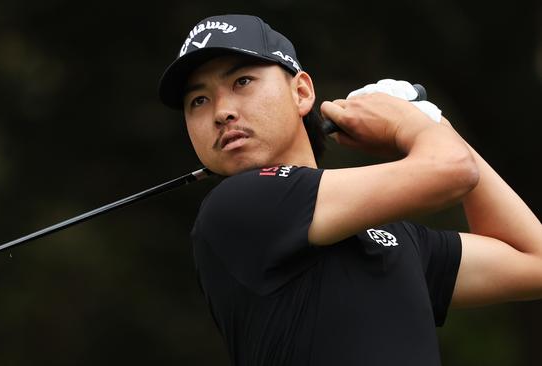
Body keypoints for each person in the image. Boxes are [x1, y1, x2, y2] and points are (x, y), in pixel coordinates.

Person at [157, 14, 542, 365]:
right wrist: (410, 124)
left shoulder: (392, 237)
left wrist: (433, 122)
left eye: (242, 81)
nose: (221, 111)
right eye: (199, 100)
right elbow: (454, 170)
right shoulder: (237, 206)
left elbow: (534, 261)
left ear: (302, 92)